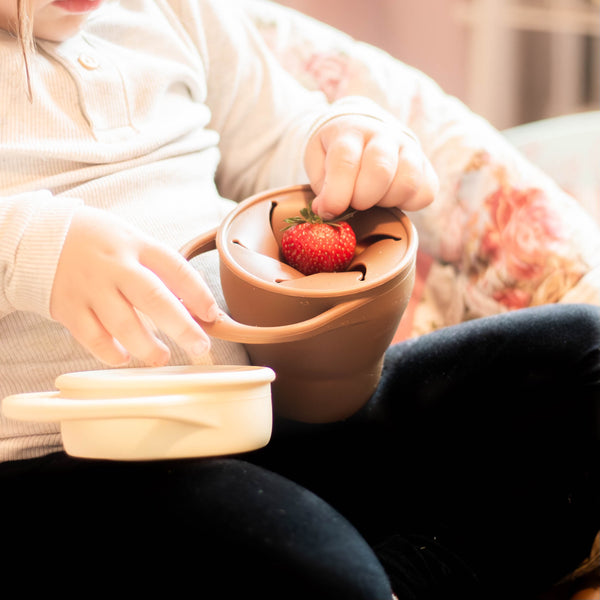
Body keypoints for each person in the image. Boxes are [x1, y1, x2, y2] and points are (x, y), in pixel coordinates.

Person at [0, 0, 598, 598]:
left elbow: (283, 144)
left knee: (583, 355)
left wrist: (353, 142)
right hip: (78, 468)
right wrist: (27, 247)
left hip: (275, 409)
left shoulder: (170, 11)